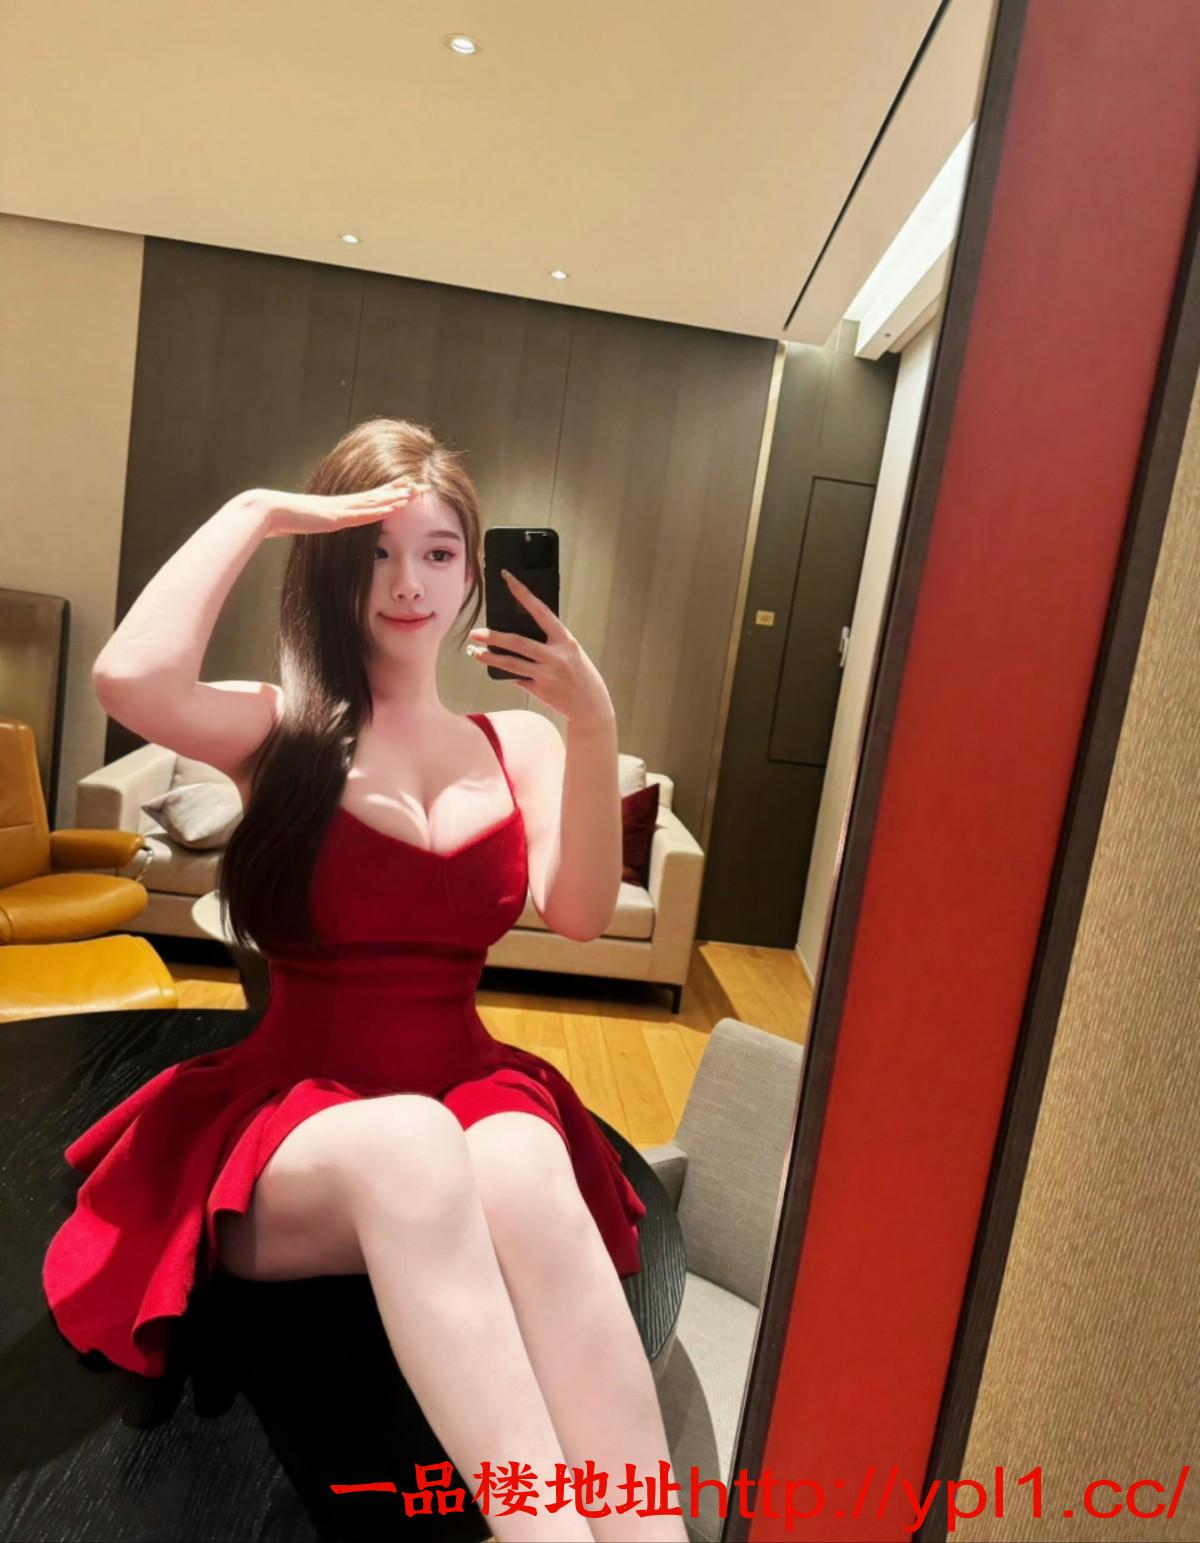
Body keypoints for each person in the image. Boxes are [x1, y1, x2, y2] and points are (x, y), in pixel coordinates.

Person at [41, 417, 690, 1543]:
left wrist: (593, 724)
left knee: (523, 1154)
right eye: (377, 553)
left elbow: (581, 914)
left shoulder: (521, 746)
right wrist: (257, 511)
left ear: (474, 574)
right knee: (413, 1144)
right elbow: (130, 677)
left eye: (437, 553)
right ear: (335, 570)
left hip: (469, 1089)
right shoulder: (284, 728)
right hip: (296, 1128)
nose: (407, 584)